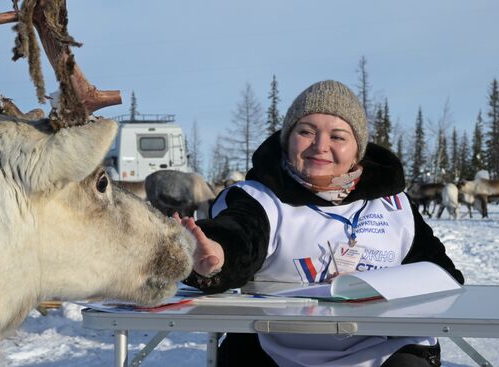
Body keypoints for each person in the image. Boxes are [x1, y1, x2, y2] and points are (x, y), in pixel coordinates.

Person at [177, 80, 464, 367]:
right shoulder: (261, 198)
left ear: (357, 150)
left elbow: (439, 271)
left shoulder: (393, 204)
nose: (320, 146)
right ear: (287, 139)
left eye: (338, 137)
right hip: (277, 345)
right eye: (306, 132)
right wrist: (217, 255)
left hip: (382, 348)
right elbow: (240, 235)